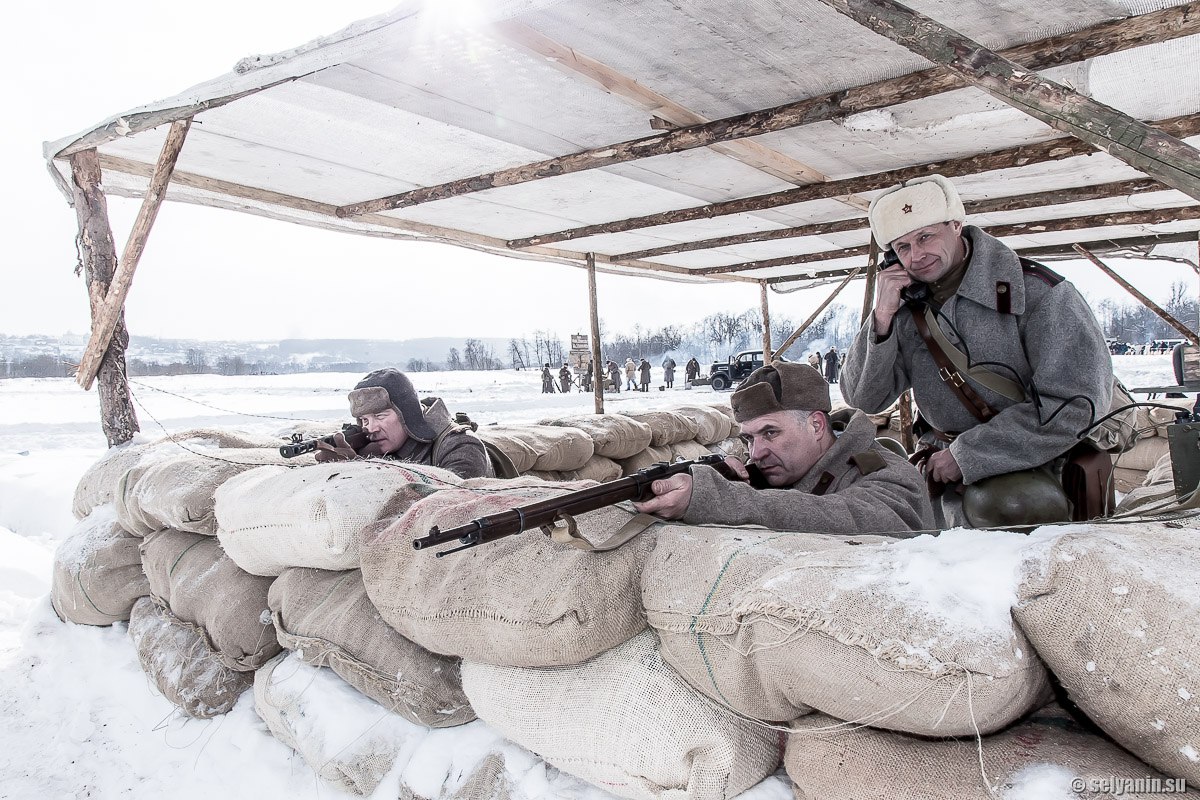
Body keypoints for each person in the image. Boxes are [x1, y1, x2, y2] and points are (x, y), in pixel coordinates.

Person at [840, 174, 1114, 527]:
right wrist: (882, 318)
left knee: (1011, 506)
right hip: (942, 469)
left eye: (925, 237)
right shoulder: (906, 310)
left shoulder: (1039, 293)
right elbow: (864, 398)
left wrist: (969, 454)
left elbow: (1075, 405)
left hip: (1036, 464)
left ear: (956, 225)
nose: (916, 256)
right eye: (903, 247)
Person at [633, 363, 933, 533]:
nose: (756, 453)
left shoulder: (890, 474)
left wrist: (720, 498)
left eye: (770, 432)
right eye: (749, 439)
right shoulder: (774, 470)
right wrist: (730, 481)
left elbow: (852, 519)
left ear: (816, 426)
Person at [315, 368, 494, 479]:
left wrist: (363, 473)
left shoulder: (460, 445)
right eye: (364, 420)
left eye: (380, 415)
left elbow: (452, 506)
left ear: (407, 414)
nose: (371, 428)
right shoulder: (377, 449)